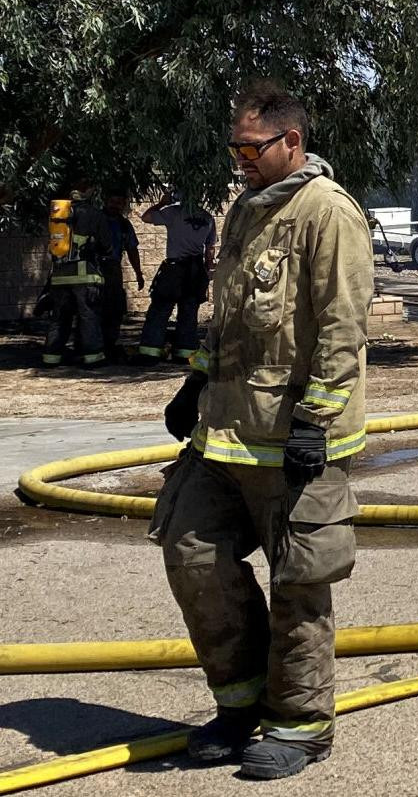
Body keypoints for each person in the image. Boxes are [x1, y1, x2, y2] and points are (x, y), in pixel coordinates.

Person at [150, 80, 371, 780]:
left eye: (252, 146)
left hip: (295, 440)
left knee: (299, 583)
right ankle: (241, 705)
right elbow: (233, 317)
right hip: (223, 434)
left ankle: (301, 724)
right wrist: (195, 381)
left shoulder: (327, 212)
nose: (240, 158)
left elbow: (343, 324)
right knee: (190, 552)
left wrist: (316, 420)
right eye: (234, 147)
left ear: (292, 142)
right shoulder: (246, 212)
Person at [138, 192, 219, 362]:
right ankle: (185, 352)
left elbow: (145, 217)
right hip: (195, 270)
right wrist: (206, 272)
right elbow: (210, 249)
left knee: (161, 308)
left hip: (174, 268)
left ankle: (149, 352)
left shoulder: (174, 212)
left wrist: (161, 203)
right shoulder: (207, 217)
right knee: (189, 311)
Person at [39, 180, 111, 368]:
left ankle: (51, 357)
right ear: (88, 193)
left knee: (59, 317)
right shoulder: (94, 214)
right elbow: (107, 245)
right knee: (88, 317)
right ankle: (93, 357)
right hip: (84, 275)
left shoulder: (58, 216)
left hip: (59, 277)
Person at [98, 191, 144, 357]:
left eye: (120, 203)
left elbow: (132, 249)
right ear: (105, 200)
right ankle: (92, 344)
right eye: (113, 201)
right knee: (94, 307)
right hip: (93, 267)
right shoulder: (96, 219)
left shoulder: (124, 225)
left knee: (114, 308)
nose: (116, 206)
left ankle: (109, 344)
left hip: (112, 269)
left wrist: (138, 273)